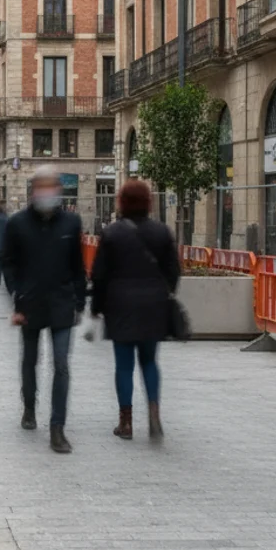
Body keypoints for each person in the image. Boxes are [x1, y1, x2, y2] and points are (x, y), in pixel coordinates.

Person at [1, 166, 87, 454]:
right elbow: (9, 263)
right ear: (33, 190)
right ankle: (28, 406)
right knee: (30, 361)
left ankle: (57, 428)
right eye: (42, 187)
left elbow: (77, 265)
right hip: (30, 304)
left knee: (61, 365)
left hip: (62, 304)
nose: (47, 192)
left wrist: (80, 302)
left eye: (52, 187)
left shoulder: (71, 223)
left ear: (59, 191)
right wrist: (17, 294)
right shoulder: (17, 224)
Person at [90, 180, 180, 440]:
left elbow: (99, 275)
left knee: (124, 365)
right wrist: (164, 292)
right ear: (148, 202)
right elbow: (173, 270)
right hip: (153, 305)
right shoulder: (162, 232)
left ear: (122, 202)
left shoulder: (112, 233)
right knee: (150, 361)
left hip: (120, 306)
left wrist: (96, 307)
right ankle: (154, 412)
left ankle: (126, 422)